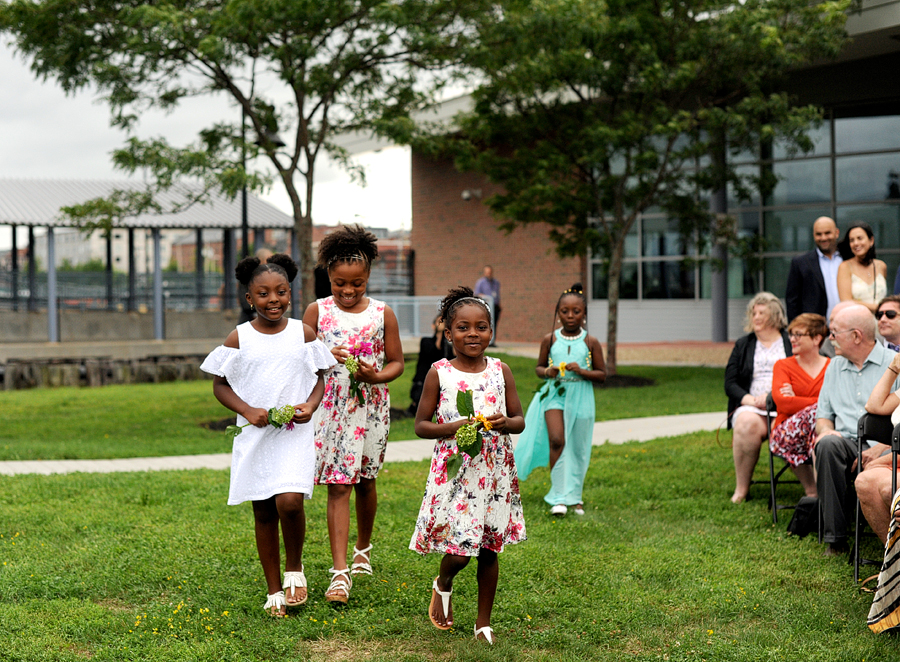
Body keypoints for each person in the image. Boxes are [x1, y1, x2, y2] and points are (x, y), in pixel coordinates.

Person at [200, 253, 336, 616]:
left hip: (293, 432)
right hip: (255, 434)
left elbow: (319, 375)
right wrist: (246, 410)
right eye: (263, 294)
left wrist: (311, 405)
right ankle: (274, 588)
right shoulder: (239, 338)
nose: (273, 299)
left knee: (289, 502)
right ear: (249, 299)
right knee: (263, 511)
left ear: (290, 294)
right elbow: (220, 384)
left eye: (280, 292)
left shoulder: (302, 333)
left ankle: (295, 568)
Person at [409, 286, 526, 645]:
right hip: (457, 474)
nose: (472, 334)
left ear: (491, 331)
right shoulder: (439, 373)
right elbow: (421, 426)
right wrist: (453, 428)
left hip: (493, 472)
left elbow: (520, 419)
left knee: (489, 547)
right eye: (463, 328)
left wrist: (506, 423)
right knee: (460, 553)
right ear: (448, 333)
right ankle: (443, 583)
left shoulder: (500, 370)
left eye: (481, 327)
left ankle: (482, 624)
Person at [302, 224, 404, 603]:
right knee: (338, 483)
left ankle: (363, 549)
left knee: (365, 480)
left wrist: (375, 375)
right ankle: (339, 573)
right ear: (327, 274)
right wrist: (325, 355)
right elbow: (301, 358)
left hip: (371, 407)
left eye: (356, 284)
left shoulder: (382, 313)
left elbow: (397, 363)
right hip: (330, 407)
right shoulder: (316, 312)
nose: (347, 291)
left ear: (368, 277)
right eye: (340, 283)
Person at [514, 284, 606, 516]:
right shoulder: (550, 339)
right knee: (557, 440)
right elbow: (538, 367)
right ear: (558, 313)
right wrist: (548, 372)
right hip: (554, 393)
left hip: (581, 395)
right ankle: (558, 496)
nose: (570, 316)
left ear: (584, 315)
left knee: (578, 447)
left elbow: (602, 374)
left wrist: (582, 371)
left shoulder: (590, 342)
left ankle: (575, 498)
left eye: (576, 311)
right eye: (565, 311)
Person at [814, 304, 898, 556]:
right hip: (846, 442)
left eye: (834, 332)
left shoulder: (893, 364)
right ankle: (836, 539)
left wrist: (881, 449)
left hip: (885, 445)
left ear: (856, 336)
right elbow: (823, 417)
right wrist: (826, 431)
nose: (830, 338)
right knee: (827, 444)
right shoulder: (834, 367)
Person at [724, 292, 792, 504]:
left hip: (785, 403)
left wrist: (774, 396)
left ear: (774, 315)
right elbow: (730, 383)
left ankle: (812, 491)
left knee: (793, 425)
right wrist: (750, 400)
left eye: (762, 312)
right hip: (752, 405)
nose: (756, 317)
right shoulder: (744, 344)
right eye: (754, 313)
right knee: (745, 423)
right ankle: (742, 489)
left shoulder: (791, 341)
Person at [769, 313, 830, 498]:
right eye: (791, 334)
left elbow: (839, 402)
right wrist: (821, 403)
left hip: (819, 434)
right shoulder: (783, 366)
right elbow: (783, 403)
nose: (792, 339)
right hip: (786, 434)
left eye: (798, 335)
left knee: (819, 432)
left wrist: (798, 399)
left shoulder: (832, 366)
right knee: (816, 415)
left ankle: (818, 496)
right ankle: (818, 494)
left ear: (816, 338)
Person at [856, 351, 900, 544]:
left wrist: (881, 460)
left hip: (895, 460)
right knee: (865, 482)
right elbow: (874, 406)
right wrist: (893, 369)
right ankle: (894, 561)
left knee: (888, 488)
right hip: (896, 461)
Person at [785, 216, 842, 322]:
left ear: (836, 233)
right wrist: (795, 330)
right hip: (815, 330)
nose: (823, 238)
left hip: (847, 327)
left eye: (827, 233)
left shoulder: (848, 258)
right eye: (818, 234)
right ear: (813, 235)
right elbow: (792, 301)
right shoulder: (800, 263)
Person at [837, 222, 888, 313]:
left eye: (860, 238)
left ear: (871, 240)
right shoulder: (845, 267)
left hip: (881, 322)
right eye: (852, 240)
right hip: (858, 322)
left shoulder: (881, 266)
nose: (856, 243)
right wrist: (876, 308)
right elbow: (846, 302)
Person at [408, 314, 454, 414]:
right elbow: (432, 351)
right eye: (439, 321)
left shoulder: (448, 347)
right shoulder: (425, 341)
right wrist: (440, 334)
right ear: (433, 326)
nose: (442, 324)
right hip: (423, 381)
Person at [237, 248, 274, 324]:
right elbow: (245, 303)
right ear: (261, 261)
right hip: (249, 321)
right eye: (269, 261)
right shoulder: (247, 277)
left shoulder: (272, 278)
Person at [474, 265, 501, 346]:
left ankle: (493, 341)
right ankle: (486, 341)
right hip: (486, 306)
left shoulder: (496, 283)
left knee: (494, 324)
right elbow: (477, 293)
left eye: (490, 272)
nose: (488, 274)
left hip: (495, 306)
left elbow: (497, 294)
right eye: (487, 272)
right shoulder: (481, 282)